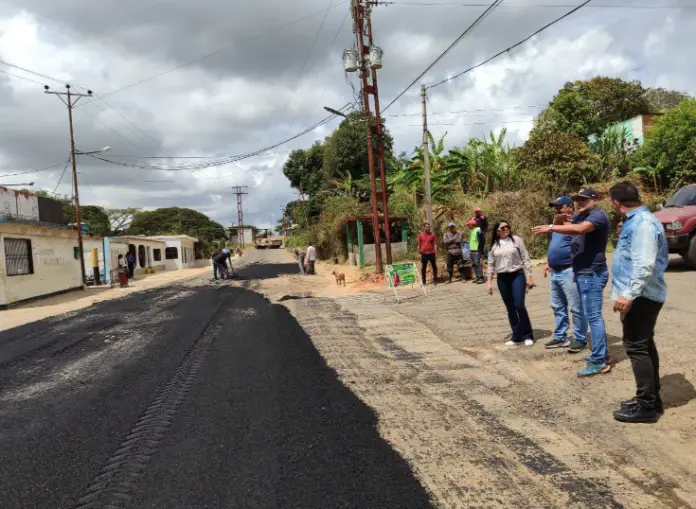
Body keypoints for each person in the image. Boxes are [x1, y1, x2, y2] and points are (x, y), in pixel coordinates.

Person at [532, 187, 611, 377]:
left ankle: (599, 360)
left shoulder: (597, 216)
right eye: (577, 200)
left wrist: (551, 227)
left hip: (592, 273)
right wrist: (558, 220)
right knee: (588, 314)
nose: (580, 203)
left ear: (595, 200)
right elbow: (568, 222)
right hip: (583, 272)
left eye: (584, 199)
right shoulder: (582, 216)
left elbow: (579, 229)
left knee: (593, 317)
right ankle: (601, 355)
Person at [609, 182, 668, 424]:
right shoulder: (639, 220)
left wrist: (629, 295)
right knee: (644, 344)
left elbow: (644, 265)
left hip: (641, 295)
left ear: (616, 203)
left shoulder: (643, 223)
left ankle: (646, 407)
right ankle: (651, 399)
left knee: (636, 347)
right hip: (642, 293)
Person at [542, 196, 588, 350]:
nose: (556, 210)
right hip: (555, 271)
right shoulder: (556, 225)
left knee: (576, 307)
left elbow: (579, 245)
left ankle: (580, 338)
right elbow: (556, 244)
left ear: (569, 207)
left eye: (559, 207)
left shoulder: (576, 224)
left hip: (569, 271)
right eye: (555, 207)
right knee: (557, 306)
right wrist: (549, 262)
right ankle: (561, 336)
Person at [487, 221, 535, 346]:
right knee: (510, 307)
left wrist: (529, 276)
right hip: (502, 278)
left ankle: (527, 334)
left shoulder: (516, 240)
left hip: (517, 275)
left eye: (508, 226)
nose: (506, 228)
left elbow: (525, 257)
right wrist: (489, 283)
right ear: (497, 231)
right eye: (503, 227)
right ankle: (516, 335)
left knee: (519, 304)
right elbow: (491, 264)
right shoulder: (494, 245)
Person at [467, 219, 485, 284]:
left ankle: (481, 278)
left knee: (477, 264)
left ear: (472, 225)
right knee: (474, 265)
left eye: (468, 224)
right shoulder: (472, 231)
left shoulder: (478, 231)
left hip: (476, 251)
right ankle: (477, 277)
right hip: (472, 250)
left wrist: (480, 250)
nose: (467, 226)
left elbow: (482, 241)